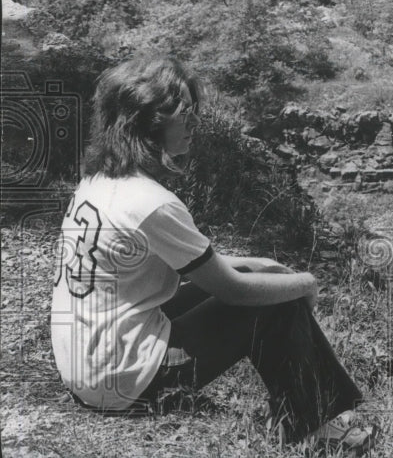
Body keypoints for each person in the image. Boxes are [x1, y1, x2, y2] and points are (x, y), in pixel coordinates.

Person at [50, 56, 371, 455]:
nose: (193, 125)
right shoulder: (151, 203)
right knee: (278, 304)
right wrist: (306, 283)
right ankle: (311, 425)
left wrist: (260, 266)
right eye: (184, 115)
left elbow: (198, 270)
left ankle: (307, 407)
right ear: (148, 123)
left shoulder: (98, 182)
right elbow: (234, 291)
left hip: (88, 367)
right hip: (125, 384)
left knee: (265, 279)